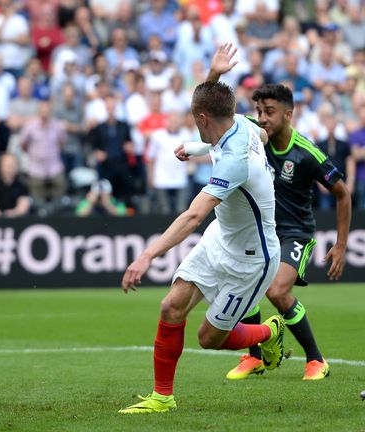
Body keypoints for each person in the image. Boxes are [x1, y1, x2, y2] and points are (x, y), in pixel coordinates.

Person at [118, 46, 284, 414]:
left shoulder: (234, 162)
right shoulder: (239, 123)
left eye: (196, 120)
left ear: (204, 118)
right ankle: (162, 398)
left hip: (252, 260)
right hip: (220, 241)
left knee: (209, 339)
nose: (194, 122)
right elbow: (257, 134)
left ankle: (270, 332)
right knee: (171, 307)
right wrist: (213, 76)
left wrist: (146, 256)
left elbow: (193, 217)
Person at [211, 83, 351, 378]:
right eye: (259, 111)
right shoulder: (251, 131)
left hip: (295, 233)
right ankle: (255, 357)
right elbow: (215, 115)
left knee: (276, 290)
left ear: (289, 114)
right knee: (246, 286)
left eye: (270, 112)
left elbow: (342, 193)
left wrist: (340, 244)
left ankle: (316, 360)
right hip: (260, 231)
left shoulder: (305, 153)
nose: (262, 118)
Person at [0, 153, 30, 218]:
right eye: (6, 165)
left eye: (12, 165)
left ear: (17, 167)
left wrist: (14, 213)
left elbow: (24, 203)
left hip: (16, 220)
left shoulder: (22, 184)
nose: (9, 168)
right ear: (0, 166)